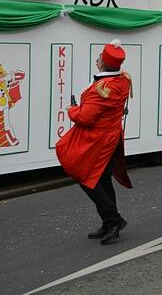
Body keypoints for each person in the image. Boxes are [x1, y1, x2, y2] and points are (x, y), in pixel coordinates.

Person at [55, 39, 132, 245]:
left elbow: (85, 117)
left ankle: (113, 220)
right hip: (110, 136)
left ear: (103, 63)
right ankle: (109, 222)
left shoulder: (103, 88)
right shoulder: (121, 80)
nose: (97, 59)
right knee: (103, 179)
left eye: (100, 57)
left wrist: (72, 109)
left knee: (87, 178)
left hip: (97, 140)